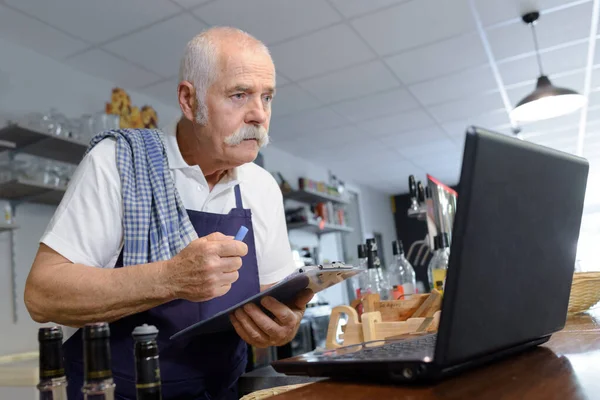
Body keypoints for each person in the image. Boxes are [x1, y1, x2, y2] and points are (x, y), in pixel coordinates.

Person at [24, 26, 313, 400]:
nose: (259, 114)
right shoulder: (118, 161)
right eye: (239, 95)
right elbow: (42, 295)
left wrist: (284, 326)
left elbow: (273, 304)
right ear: (189, 101)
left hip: (220, 392)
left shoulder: (262, 187)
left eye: (267, 97)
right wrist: (170, 278)